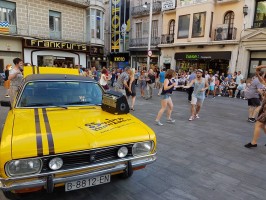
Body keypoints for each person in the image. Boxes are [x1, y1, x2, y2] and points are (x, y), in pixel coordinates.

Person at [245, 65, 266, 148]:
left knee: (258, 124)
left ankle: (254, 143)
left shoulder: (264, 82)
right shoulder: (263, 82)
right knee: (263, 125)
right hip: (264, 106)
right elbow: (257, 70)